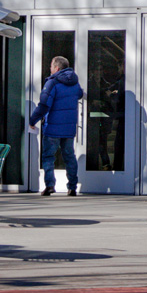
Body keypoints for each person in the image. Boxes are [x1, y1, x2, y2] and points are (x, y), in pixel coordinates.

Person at [28, 55, 84, 197]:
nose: (50, 68)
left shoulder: (52, 83)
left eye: (51, 66)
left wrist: (33, 120)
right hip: (69, 128)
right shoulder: (75, 83)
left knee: (48, 157)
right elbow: (79, 95)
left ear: (57, 68)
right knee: (69, 156)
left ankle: (50, 185)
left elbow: (44, 104)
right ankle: (72, 187)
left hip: (52, 127)